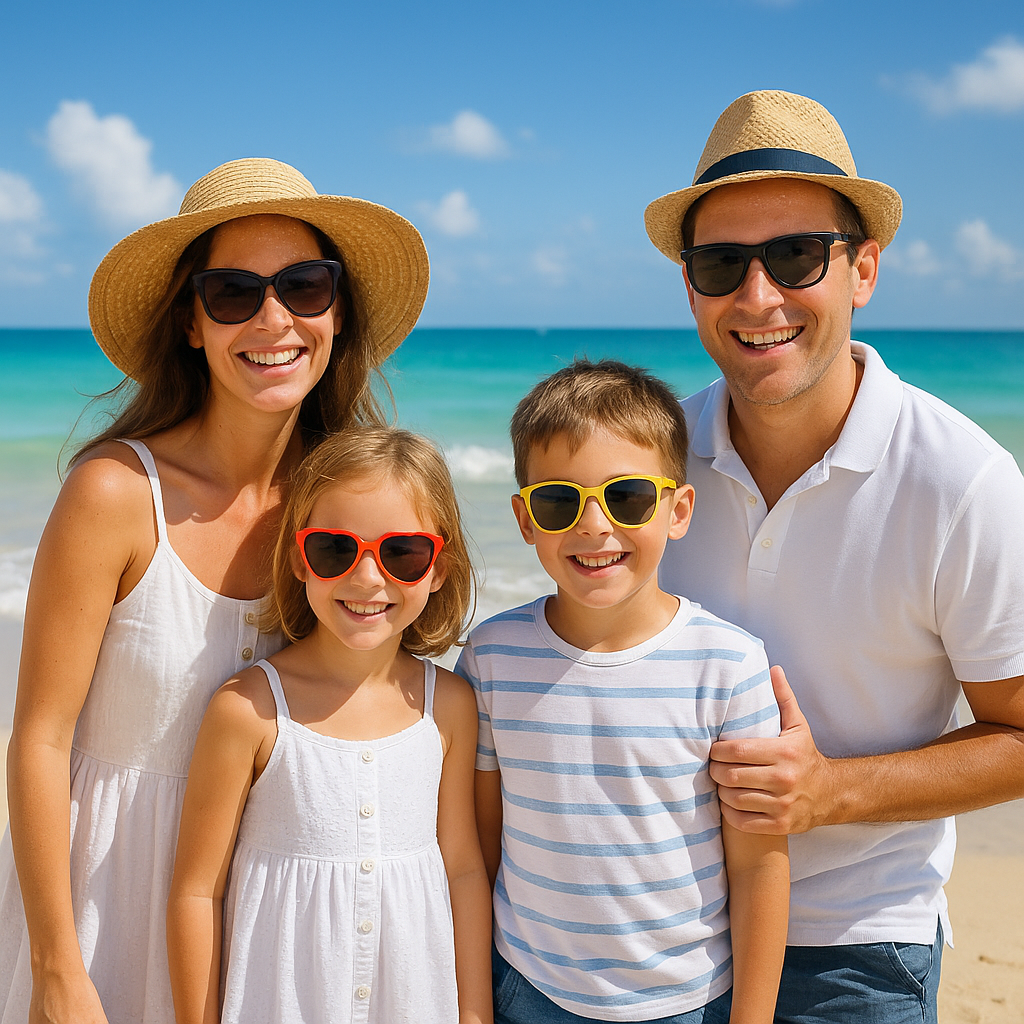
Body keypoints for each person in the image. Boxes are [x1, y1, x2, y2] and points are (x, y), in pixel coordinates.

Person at [0, 158, 429, 1024]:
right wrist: (56, 967)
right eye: (233, 293)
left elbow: (389, 712)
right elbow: (39, 740)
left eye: (306, 286)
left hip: (278, 921)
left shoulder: (344, 508)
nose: (275, 318)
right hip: (105, 905)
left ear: (337, 313)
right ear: (192, 325)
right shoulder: (117, 494)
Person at [644, 90, 1024, 1023]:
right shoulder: (649, 457)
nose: (758, 296)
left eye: (796, 257)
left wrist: (827, 793)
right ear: (689, 283)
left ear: (864, 270)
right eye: (723, 263)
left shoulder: (962, 479)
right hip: (659, 930)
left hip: (858, 948)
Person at [457, 360, 790, 1024]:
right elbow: (483, 846)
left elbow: (758, 867)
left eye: (628, 497)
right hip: (527, 988)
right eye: (559, 501)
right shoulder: (491, 657)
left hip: (687, 1002)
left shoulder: (728, 664)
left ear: (678, 510)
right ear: (525, 519)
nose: (593, 525)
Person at [166, 428, 492, 1024]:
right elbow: (195, 892)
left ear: (439, 568)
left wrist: (473, 1013)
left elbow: (464, 869)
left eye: (402, 553)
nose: (368, 578)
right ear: (299, 559)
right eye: (335, 550)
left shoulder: (449, 704)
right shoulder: (248, 709)